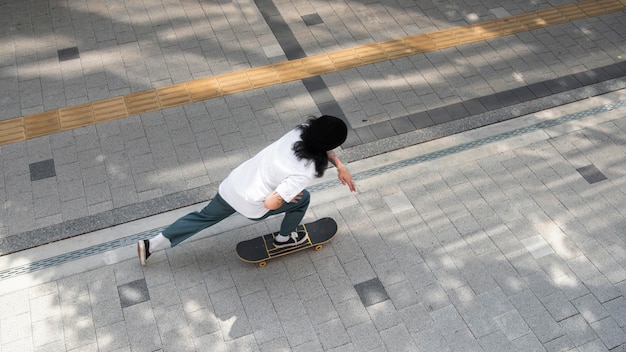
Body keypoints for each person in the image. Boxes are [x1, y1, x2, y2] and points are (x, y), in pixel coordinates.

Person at [137, 115, 356, 265]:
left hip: (233, 185)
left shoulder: (301, 131)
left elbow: (319, 144)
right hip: (252, 204)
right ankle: (285, 238)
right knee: (303, 198)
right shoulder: (305, 171)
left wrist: (340, 165)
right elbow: (270, 204)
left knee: (203, 217)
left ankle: (151, 245)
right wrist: (284, 195)